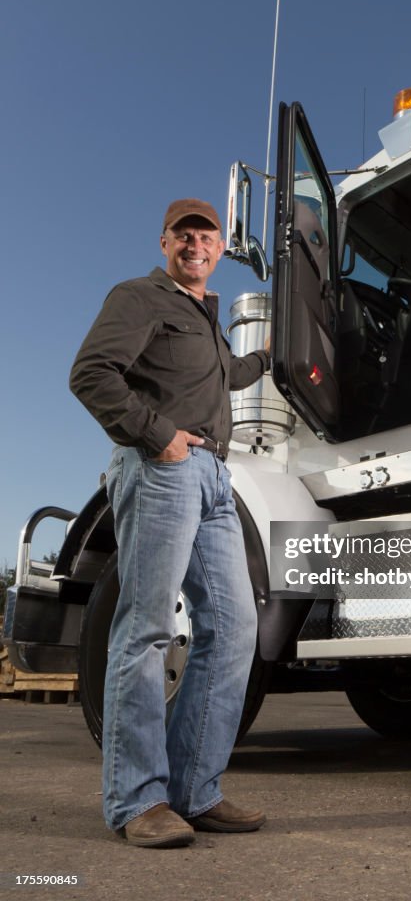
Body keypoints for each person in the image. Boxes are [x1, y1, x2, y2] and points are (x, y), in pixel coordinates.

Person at [70, 198, 269, 848]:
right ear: (165, 243)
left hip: (214, 477)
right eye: (184, 235)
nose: (195, 244)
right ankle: (137, 800)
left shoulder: (206, 320)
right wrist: (158, 437)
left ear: (217, 249)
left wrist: (268, 358)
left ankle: (194, 790)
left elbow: (226, 375)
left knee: (236, 628)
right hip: (163, 469)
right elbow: (91, 373)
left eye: (206, 236)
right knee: (148, 628)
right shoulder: (139, 296)